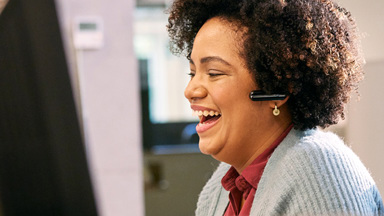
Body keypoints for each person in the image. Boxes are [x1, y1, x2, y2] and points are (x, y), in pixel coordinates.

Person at [167, 0, 384, 215]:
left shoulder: (319, 173)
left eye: (214, 73)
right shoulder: (221, 187)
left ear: (275, 87)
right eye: (193, 73)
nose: (190, 90)